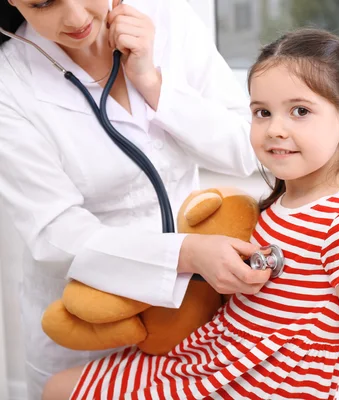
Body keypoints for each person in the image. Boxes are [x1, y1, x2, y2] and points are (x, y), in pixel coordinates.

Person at [42, 27, 339, 400]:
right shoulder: (276, 207)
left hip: (263, 386)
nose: (275, 129)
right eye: (262, 112)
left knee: (61, 392)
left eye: (300, 111)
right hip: (217, 361)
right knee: (57, 388)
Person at [0, 0, 273, 398]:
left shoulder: (169, 18)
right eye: (42, 3)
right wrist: (188, 253)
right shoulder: (11, 82)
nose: (75, 18)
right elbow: (54, 231)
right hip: (84, 324)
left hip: (190, 312)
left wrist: (153, 83)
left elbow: (247, 148)